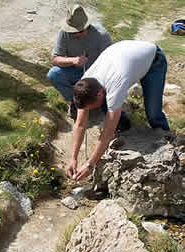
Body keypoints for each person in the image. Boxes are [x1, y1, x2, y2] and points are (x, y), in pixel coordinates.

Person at [66, 40, 170, 181]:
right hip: (125, 56)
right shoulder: (85, 84)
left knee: (153, 113)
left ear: (100, 94)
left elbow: (107, 132)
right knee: (107, 107)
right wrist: (73, 158)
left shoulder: (116, 83)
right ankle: (125, 129)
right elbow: (80, 124)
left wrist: (90, 165)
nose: (92, 111)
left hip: (153, 60)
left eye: (92, 107)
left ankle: (169, 144)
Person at [46, 4, 113, 119]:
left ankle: (96, 102)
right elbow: (55, 59)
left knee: (106, 105)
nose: (76, 34)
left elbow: (112, 61)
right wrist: (73, 61)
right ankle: (76, 102)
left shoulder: (101, 35)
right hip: (76, 72)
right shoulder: (63, 33)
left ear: (87, 26)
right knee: (54, 74)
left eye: (79, 31)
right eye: (72, 31)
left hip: (98, 75)